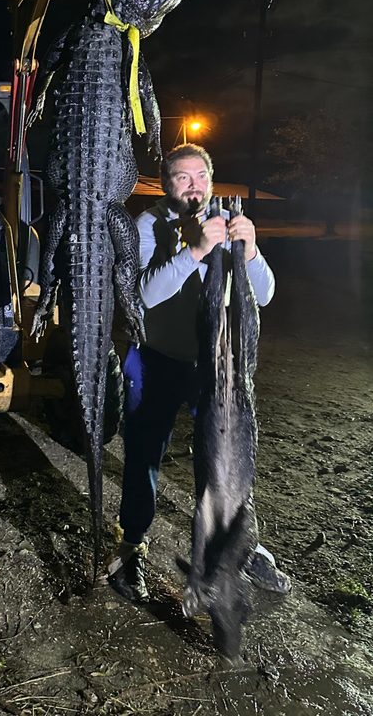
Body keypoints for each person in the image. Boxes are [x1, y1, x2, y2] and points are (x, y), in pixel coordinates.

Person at [109, 143, 291, 603]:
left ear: (211, 180)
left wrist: (248, 252)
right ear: (165, 183)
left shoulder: (229, 221)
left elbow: (265, 294)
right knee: (145, 454)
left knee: (224, 456)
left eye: (200, 177)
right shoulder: (146, 226)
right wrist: (195, 249)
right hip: (156, 358)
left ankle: (241, 546)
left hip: (215, 366)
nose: (193, 186)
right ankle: (132, 548)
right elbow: (142, 297)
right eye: (181, 178)